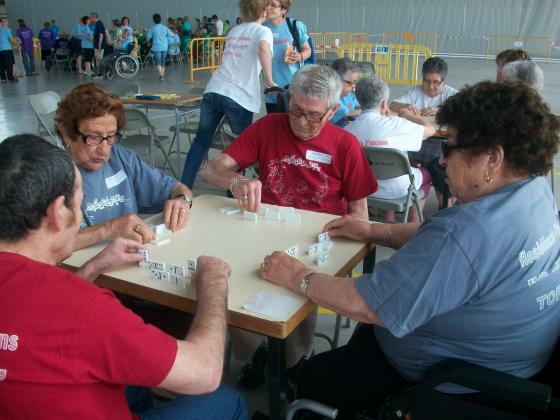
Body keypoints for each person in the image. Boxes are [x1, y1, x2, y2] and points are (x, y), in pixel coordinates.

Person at [259, 80, 560, 419]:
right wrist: (373, 230)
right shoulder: (532, 190)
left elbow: (367, 304)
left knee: (313, 378)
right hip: (517, 365)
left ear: (493, 159)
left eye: (450, 146)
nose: (441, 160)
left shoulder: (468, 233)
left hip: (453, 385)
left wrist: (298, 276)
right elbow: (442, 241)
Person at [0, 134, 247, 420]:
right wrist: (214, 282)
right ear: (57, 213)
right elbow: (204, 371)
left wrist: (95, 265)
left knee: (132, 379)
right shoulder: (89, 309)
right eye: (79, 204)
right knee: (227, 400)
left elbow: (44, 316)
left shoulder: (56, 299)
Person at [200, 64, 378, 389]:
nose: (301, 122)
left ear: (333, 110)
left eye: (313, 115)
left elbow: (359, 215)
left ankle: (292, 364)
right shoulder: (269, 126)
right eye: (296, 110)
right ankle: (258, 352)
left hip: (317, 240)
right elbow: (210, 170)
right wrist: (236, 180)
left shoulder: (345, 144)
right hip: (263, 229)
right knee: (235, 286)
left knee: (300, 297)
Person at [54, 83, 194, 250]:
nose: (104, 150)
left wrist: (182, 201)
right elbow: (46, 246)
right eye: (93, 137)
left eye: (111, 136)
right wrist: (109, 229)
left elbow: (178, 189)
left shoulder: (122, 159)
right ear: (66, 134)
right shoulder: (48, 173)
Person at [179, 0, 276, 189]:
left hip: (214, 89)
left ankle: (183, 187)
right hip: (238, 96)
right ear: (264, 12)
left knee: (201, 142)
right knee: (242, 147)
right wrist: (270, 82)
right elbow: (263, 49)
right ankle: (234, 192)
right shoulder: (263, 31)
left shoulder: (234, 31)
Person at [345, 78, 435, 222]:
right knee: (425, 174)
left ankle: (389, 217)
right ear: (384, 103)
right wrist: (409, 116)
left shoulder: (347, 130)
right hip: (399, 189)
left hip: (364, 189)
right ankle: (413, 223)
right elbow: (431, 130)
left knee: (382, 167)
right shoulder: (397, 125)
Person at [389, 57, 459, 208]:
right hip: (418, 141)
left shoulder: (451, 94)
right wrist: (405, 106)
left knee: (437, 164)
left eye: (436, 82)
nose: (431, 86)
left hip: (440, 143)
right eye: (427, 81)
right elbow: (392, 104)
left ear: (444, 82)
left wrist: (439, 109)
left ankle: (444, 203)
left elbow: (461, 109)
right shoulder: (416, 91)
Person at [264, 0, 312, 113]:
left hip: (293, 87)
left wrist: (299, 56)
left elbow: (307, 50)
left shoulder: (295, 26)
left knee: (293, 121)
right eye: (267, 4)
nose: (268, 8)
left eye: (273, 5)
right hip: (271, 90)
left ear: (284, 10)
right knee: (274, 122)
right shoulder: (262, 29)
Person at [330, 57, 361, 126]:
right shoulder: (330, 98)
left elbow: (363, 106)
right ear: (336, 79)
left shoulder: (348, 94)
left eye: (355, 82)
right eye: (349, 83)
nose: (353, 86)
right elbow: (346, 115)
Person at [147, 13, 173, 82]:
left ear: (153, 20)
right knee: (163, 61)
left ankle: (161, 76)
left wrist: (148, 42)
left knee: (158, 61)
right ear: (160, 19)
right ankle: (162, 75)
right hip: (164, 46)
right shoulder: (164, 27)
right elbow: (171, 35)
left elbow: (148, 37)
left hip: (156, 47)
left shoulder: (152, 28)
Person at [89, 12, 107, 78]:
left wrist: (99, 45)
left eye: (91, 17)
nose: (90, 19)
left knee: (99, 59)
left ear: (94, 17)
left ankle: (100, 74)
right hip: (96, 45)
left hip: (99, 45)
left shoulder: (99, 23)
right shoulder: (97, 24)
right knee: (97, 59)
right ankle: (98, 72)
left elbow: (101, 35)